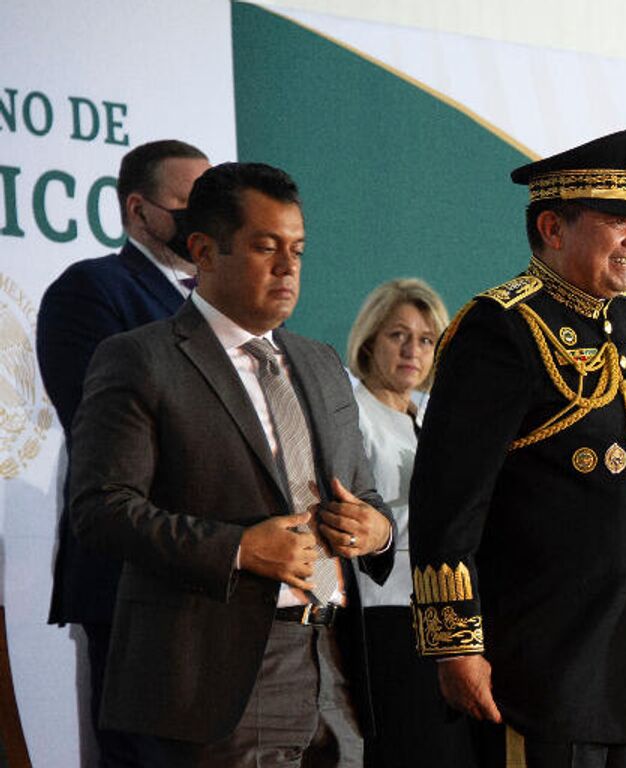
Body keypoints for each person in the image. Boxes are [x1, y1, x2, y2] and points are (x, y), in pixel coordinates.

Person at [67, 161, 396, 766]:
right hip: (214, 674)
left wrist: (376, 531)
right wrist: (241, 549)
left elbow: (368, 501)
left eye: (297, 249)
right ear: (204, 252)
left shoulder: (321, 363)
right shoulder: (140, 359)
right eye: (265, 247)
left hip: (334, 665)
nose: (288, 266)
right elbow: (101, 510)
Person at [408, 129, 626, 768]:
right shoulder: (501, 327)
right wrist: (455, 646)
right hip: (537, 670)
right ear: (553, 228)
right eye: (617, 221)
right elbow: (448, 502)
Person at [38, 138, 208, 768]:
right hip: (132, 576)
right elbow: (102, 430)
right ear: (138, 211)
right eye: (190, 204)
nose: (207, 220)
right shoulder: (93, 290)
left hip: (217, 580)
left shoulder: (223, 304)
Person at [342, 278, 476, 767]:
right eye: (398, 335)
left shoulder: (431, 415)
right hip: (384, 613)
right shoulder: (352, 410)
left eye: (425, 340)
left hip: (441, 611)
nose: (411, 350)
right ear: (371, 339)